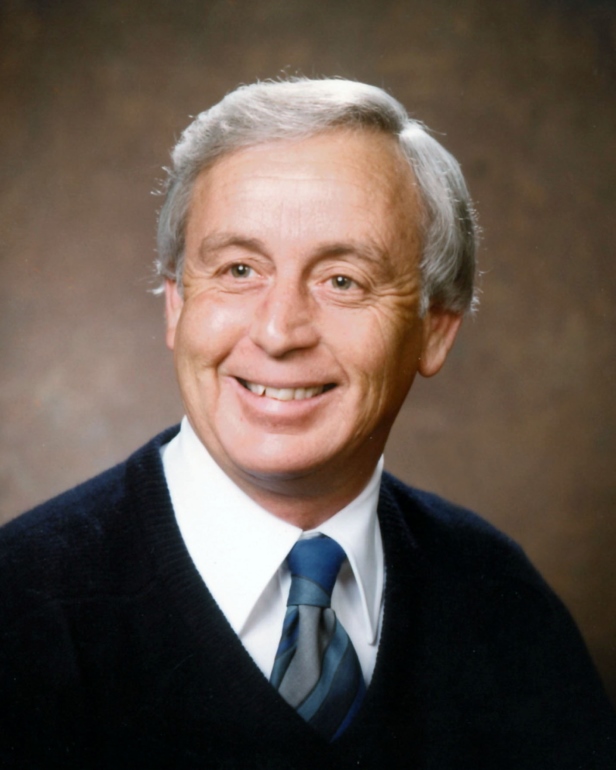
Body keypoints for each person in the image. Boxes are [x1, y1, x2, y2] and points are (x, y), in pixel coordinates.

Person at [0, 78, 614, 769]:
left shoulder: (505, 606)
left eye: (343, 280)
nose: (279, 330)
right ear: (176, 304)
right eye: (239, 269)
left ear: (435, 330)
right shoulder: (20, 610)